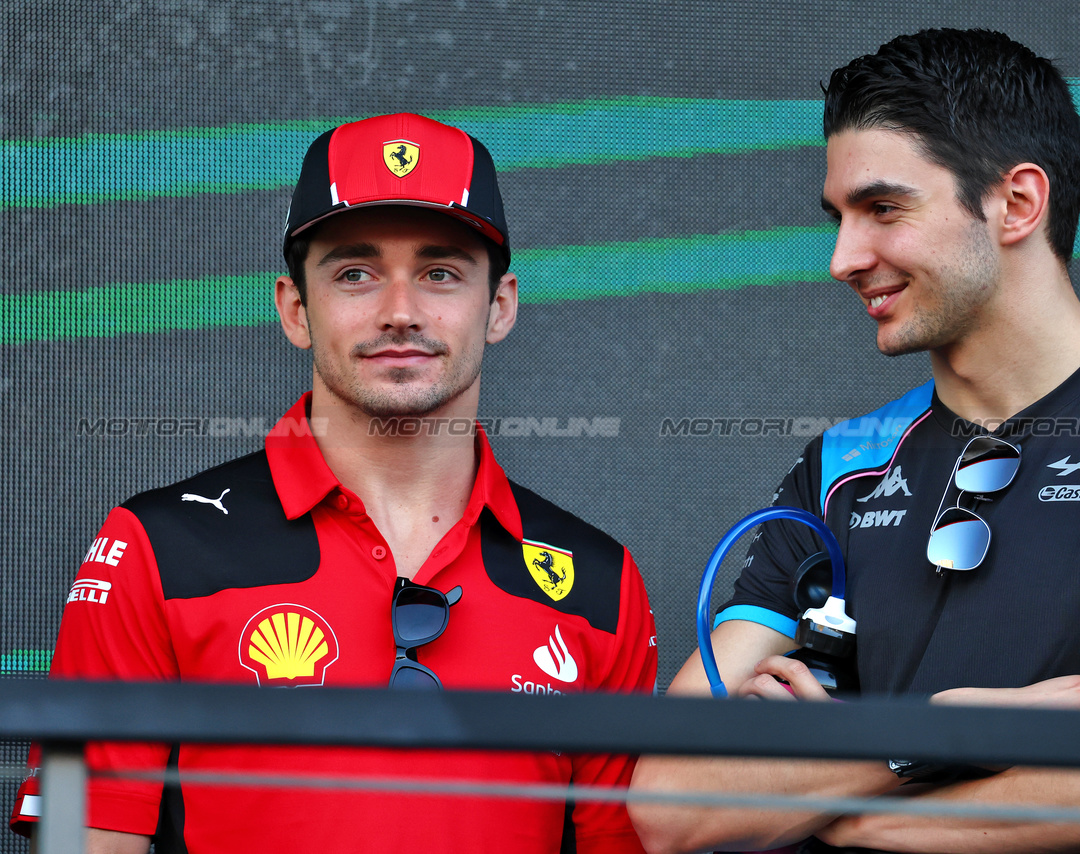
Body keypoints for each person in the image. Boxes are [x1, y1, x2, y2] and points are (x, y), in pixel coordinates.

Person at [630, 28, 1080, 854]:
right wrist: (936, 734)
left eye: (883, 208)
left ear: (1016, 203)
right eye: (840, 217)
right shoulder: (841, 463)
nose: (842, 258)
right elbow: (670, 807)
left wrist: (835, 811)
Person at [10, 113, 657, 853]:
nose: (401, 312)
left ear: (500, 306)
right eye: (355, 273)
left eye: (440, 272)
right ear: (295, 308)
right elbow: (70, 835)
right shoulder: (147, 550)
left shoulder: (602, 584)